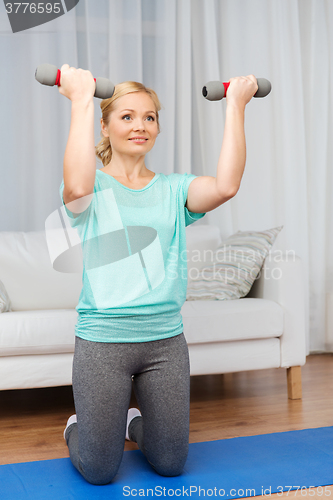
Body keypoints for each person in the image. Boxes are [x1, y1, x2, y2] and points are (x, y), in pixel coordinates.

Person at [58, 63, 257, 485]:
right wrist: (80, 99)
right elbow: (74, 188)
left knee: (170, 463)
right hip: (103, 344)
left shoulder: (174, 190)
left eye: (149, 117)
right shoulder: (91, 187)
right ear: (106, 126)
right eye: (127, 116)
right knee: (99, 471)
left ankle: (132, 424)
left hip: (165, 343)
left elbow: (225, 186)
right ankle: (79, 427)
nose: (140, 125)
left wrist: (235, 106)